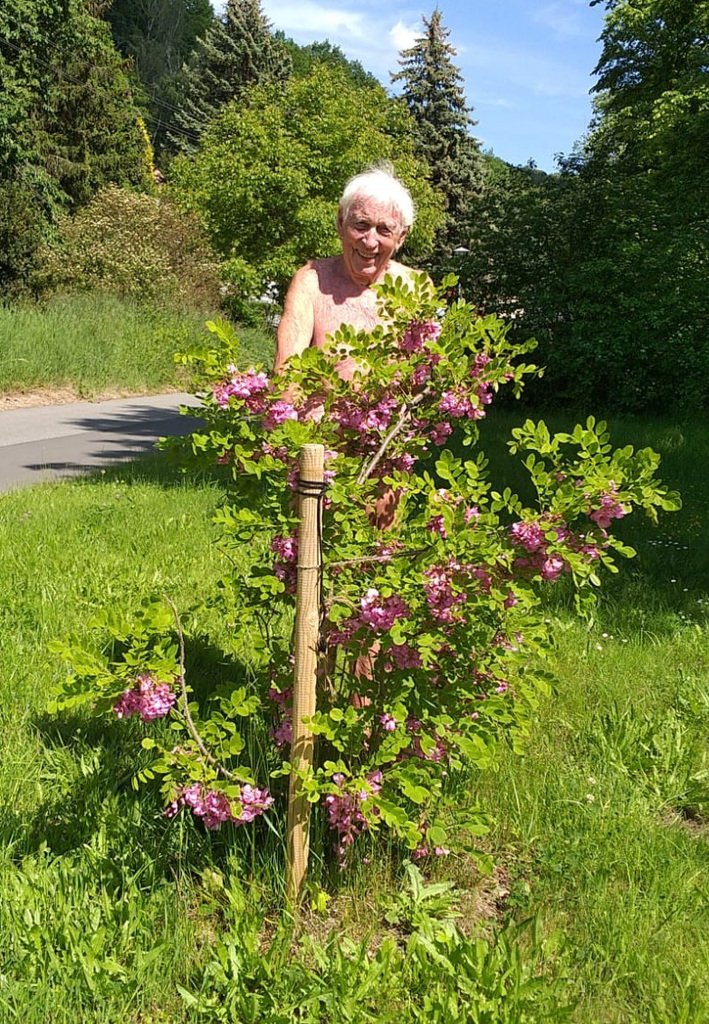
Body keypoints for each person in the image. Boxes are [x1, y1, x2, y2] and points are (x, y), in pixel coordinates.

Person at [274, 165, 418, 380]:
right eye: (361, 225)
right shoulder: (310, 283)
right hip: (321, 413)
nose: (370, 242)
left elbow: (423, 376)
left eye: (384, 229)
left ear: (402, 236)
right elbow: (286, 372)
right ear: (341, 222)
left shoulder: (416, 287)